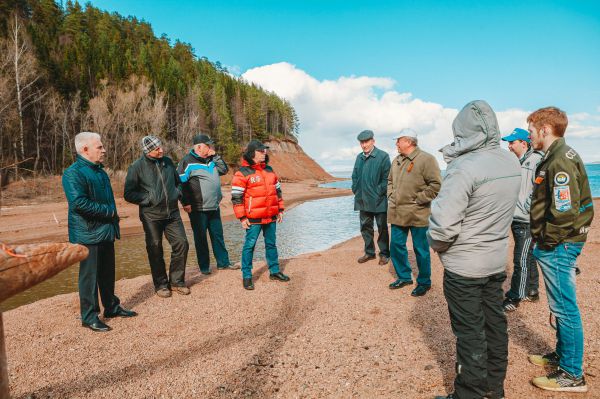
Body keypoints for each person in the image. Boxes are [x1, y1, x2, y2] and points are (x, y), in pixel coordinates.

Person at [428, 101, 520, 399]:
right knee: (494, 326)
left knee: (469, 333)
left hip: (464, 266)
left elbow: (443, 226)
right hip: (494, 261)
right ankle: (494, 388)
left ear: (463, 131)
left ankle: (468, 393)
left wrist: (439, 247)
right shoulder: (510, 162)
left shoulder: (463, 168)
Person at [526, 107, 594, 393]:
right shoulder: (556, 157)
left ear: (544, 129)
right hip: (560, 243)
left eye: (531, 130)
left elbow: (564, 212)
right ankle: (563, 356)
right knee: (561, 306)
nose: (529, 135)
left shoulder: (559, 161)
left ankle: (572, 374)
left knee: (565, 308)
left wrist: (547, 242)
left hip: (560, 244)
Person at [62, 132, 137, 332]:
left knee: (107, 272)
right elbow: (78, 204)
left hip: (105, 230)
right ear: (84, 149)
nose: (104, 150)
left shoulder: (101, 172)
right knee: (89, 277)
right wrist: (110, 212)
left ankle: (111, 307)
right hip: (86, 233)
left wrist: (112, 220)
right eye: (99, 147)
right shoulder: (72, 173)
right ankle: (89, 316)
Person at [124, 135, 190, 298]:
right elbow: (128, 193)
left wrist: (181, 197)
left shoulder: (167, 162)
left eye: (161, 146)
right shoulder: (136, 167)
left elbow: (178, 183)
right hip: (151, 215)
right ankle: (161, 284)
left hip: (172, 213)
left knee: (182, 243)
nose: (161, 150)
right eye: (156, 149)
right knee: (155, 248)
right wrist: (149, 199)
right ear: (147, 151)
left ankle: (176, 282)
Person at [387, 128, 441, 296]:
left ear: (409, 142)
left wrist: (419, 200)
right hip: (397, 213)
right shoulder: (396, 160)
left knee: (421, 249)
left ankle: (424, 282)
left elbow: (436, 185)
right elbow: (389, 181)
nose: (396, 143)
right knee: (396, 246)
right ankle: (404, 277)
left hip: (418, 213)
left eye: (398, 140)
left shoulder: (427, 159)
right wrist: (391, 194)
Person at [231, 140, 289, 290]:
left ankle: (274, 271)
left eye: (265, 150)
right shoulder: (242, 173)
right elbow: (236, 197)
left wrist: (280, 210)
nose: (264, 153)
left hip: (271, 216)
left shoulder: (270, 170)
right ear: (252, 153)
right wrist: (242, 217)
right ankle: (247, 276)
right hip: (253, 218)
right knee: (249, 245)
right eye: (261, 150)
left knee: (271, 244)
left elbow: (278, 192)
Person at [177, 133, 236, 275]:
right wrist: (185, 202)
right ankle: (204, 267)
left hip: (214, 206)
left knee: (218, 236)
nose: (210, 147)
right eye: (207, 145)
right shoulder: (187, 162)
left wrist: (215, 156)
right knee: (201, 238)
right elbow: (179, 183)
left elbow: (224, 170)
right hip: (197, 208)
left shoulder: (211, 159)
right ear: (198, 147)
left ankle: (223, 263)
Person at [500, 128, 543, 312]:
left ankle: (514, 296)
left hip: (526, 220)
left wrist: (526, 208)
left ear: (523, 143)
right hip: (517, 218)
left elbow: (538, 189)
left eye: (512, 142)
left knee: (521, 259)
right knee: (528, 255)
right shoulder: (520, 160)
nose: (509, 146)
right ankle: (532, 291)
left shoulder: (535, 160)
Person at [351, 130, 391, 265]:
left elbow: (387, 179)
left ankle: (384, 254)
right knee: (365, 227)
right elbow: (355, 176)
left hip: (379, 200)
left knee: (382, 228)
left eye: (366, 142)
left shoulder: (383, 156)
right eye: (362, 142)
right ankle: (369, 253)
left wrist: (378, 192)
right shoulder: (359, 157)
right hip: (362, 200)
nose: (364, 145)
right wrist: (356, 190)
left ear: (373, 141)